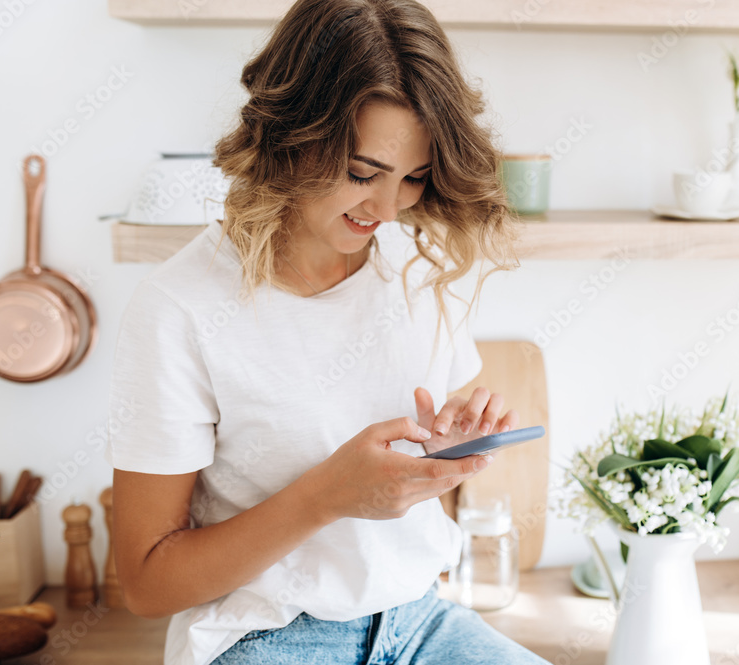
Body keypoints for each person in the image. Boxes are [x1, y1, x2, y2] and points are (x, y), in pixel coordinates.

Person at [106, 1, 552, 664]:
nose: (385, 206)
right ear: (290, 133)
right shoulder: (180, 307)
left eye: (413, 177)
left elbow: (411, 495)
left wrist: (447, 448)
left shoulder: (420, 268)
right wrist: (324, 496)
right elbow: (145, 580)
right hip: (268, 634)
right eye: (362, 172)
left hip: (422, 617)